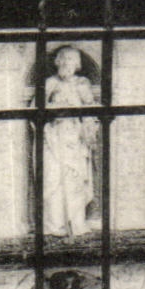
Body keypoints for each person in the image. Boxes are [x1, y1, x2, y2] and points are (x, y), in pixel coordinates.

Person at [41, 46, 99, 236]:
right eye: (64, 59)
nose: (67, 63)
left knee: (75, 180)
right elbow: (37, 109)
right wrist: (53, 109)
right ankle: (55, 224)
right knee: (53, 179)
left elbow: (90, 109)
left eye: (72, 60)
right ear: (57, 61)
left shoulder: (83, 83)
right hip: (54, 137)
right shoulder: (50, 82)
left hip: (75, 138)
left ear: (77, 64)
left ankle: (76, 222)